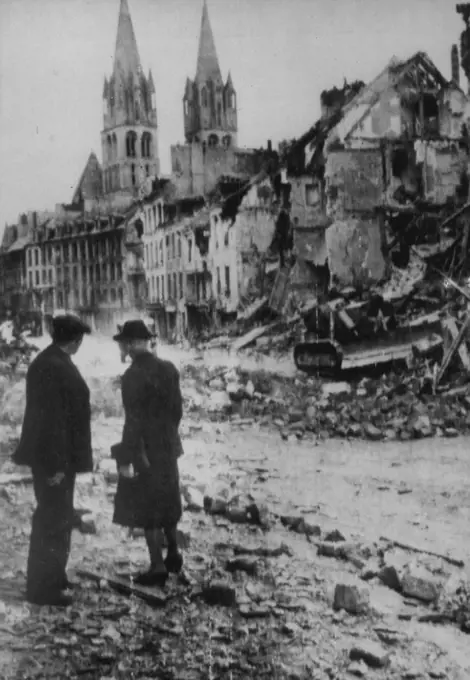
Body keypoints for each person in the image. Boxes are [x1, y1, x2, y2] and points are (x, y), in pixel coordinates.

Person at [13, 314, 93, 607]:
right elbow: (52, 423)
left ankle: (54, 577)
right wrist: (57, 465)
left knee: (58, 517)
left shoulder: (48, 362)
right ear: (76, 340)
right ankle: (43, 589)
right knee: (52, 519)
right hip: (55, 461)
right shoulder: (54, 366)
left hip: (58, 460)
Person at [112, 320, 184, 587]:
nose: (122, 348)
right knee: (169, 498)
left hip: (145, 450)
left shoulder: (131, 376)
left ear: (131, 344)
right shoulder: (169, 369)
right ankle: (174, 553)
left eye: (124, 343)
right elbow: (177, 411)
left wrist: (126, 457)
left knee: (149, 506)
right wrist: (168, 436)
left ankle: (156, 566)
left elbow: (133, 421)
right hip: (168, 445)